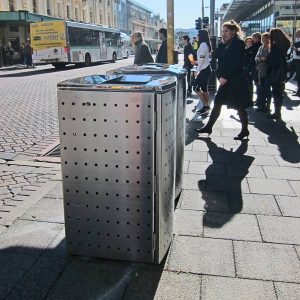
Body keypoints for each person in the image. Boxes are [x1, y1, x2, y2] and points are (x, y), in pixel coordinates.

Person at [195, 20, 252, 140]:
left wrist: (225, 77)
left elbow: (236, 63)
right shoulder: (225, 44)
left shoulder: (239, 43)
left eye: (226, 31)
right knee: (217, 103)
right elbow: (215, 56)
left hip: (236, 81)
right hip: (225, 81)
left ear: (233, 31)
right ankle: (209, 127)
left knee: (240, 106)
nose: (224, 33)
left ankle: (245, 130)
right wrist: (221, 44)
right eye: (222, 31)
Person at [267, 28, 290, 119]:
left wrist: (268, 64)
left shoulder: (275, 47)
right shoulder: (285, 44)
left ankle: (277, 113)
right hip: (282, 71)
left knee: (276, 92)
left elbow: (273, 61)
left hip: (275, 71)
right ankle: (277, 112)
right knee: (279, 92)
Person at [193, 30, 212, 115]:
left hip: (204, 70)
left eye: (198, 35)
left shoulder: (202, 45)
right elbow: (203, 59)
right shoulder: (205, 44)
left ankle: (206, 106)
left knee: (195, 87)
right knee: (204, 89)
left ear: (201, 36)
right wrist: (196, 62)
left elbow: (202, 59)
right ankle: (206, 106)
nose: (197, 36)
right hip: (206, 68)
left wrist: (196, 71)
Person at [255, 32, 271, 112]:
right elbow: (257, 57)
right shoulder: (261, 47)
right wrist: (260, 58)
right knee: (261, 90)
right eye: (263, 38)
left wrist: (261, 58)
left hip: (267, 71)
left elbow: (266, 57)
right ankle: (262, 105)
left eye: (266, 38)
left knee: (267, 90)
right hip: (260, 71)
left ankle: (267, 107)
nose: (264, 40)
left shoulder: (270, 47)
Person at [250, 32, 262, 103]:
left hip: (256, 67)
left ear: (257, 38)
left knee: (258, 83)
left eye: (253, 37)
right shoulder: (258, 45)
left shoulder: (257, 45)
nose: (252, 39)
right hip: (256, 66)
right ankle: (259, 99)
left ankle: (259, 99)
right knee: (257, 83)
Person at [244, 36, 253, 101]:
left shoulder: (253, 49)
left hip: (250, 69)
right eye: (247, 41)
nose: (249, 42)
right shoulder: (244, 50)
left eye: (250, 41)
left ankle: (250, 98)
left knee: (250, 84)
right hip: (244, 69)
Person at [292, 29, 300, 97]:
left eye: (297, 33)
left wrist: (297, 49)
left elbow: (297, 49)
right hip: (294, 59)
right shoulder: (296, 40)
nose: (296, 34)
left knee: (298, 76)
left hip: (298, 60)